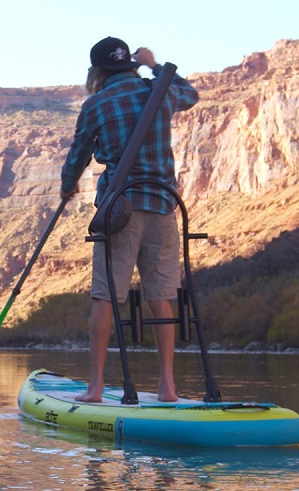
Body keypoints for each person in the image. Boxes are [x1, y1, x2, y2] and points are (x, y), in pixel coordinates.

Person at [60, 36, 199, 403]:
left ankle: (95, 388)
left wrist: (66, 188)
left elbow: (77, 156)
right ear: (130, 65)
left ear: (97, 71)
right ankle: (167, 387)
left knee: (106, 296)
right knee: (162, 295)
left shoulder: (95, 105)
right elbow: (190, 94)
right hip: (163, 203)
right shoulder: (158, 91)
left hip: (119, 208)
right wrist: (154, 65)